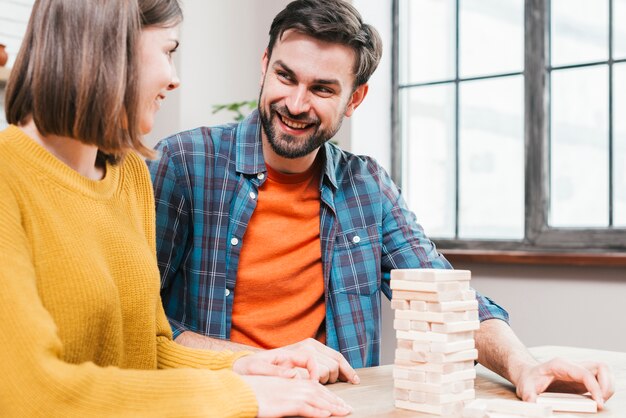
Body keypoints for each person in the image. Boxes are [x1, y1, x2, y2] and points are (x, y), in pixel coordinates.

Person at [148, 0, 615, 409]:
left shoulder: (366, 184)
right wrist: (256, 362)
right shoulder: (186, 163)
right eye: (285, 76)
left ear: (356, 99)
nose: (295, 103)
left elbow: (448, 299)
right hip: (223, 402)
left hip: (334, 405)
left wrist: (523, 365)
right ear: (265, 63)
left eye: (323, 89)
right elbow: (142, 324)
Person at [0, 0, 354, 416]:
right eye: (168, 51)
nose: (174, 78)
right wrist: (243, 396)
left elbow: (148, 348)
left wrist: (246, 364)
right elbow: (31, 393)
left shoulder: (129, 173)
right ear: (112, 47)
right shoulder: (9, 179)